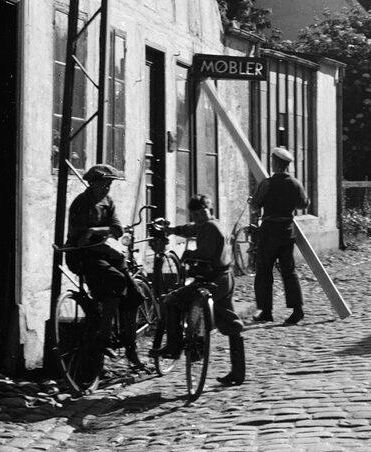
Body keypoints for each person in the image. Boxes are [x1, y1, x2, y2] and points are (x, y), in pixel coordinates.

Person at [152, 194, 246, 386]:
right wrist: (172, 230)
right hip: (225, 278)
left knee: (172, 301)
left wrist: (188, 254)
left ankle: (173, 347)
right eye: (195, 214)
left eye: (201, 212)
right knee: (230, 323)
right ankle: (237, 371)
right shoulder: (211, 223)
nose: (198, 217)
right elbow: (191, 229)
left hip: (212, 280)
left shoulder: (209, 227)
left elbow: (205, 254)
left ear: (209, 210)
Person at [64, 163, 146, 370]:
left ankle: (130, 348)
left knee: (134, 294)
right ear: (92, 183)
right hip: (83, 256)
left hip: (105, 253)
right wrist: (97, 236)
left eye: (109, 184)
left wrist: (95, 230)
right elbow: (79, 238)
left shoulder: (108, 201)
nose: (107, 187)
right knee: (115, 281)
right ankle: (104, 335)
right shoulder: (81, 204)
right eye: (103, 183)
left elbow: (117, 229)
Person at [251, 147, 309, 326]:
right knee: (289, 272)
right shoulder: (295, 183)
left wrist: (254, 202)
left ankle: (266, 311)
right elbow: (303, 204)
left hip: (269, 232)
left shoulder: (266, 184)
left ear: (275, 163)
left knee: (264, 271)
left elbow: (256, 205)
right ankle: (297, 310)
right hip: (286, 232)